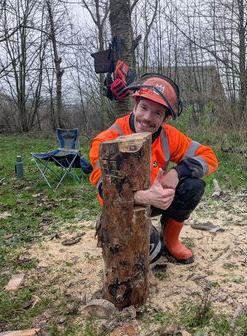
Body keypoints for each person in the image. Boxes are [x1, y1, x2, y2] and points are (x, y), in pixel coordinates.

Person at [89, 73, 218, 264]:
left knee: (193, 185)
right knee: (150, 253)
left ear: (165, 118)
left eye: (157, 113)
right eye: (144, 108)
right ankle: (146, 241)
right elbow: (103, 187)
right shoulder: (107, 139)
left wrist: (177, 172)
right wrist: (139, 197)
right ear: (135, 105)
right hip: (121, 207)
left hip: (157, 199)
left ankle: (171, 241)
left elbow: (209, 157)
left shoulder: (169, 136)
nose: (147, 118)